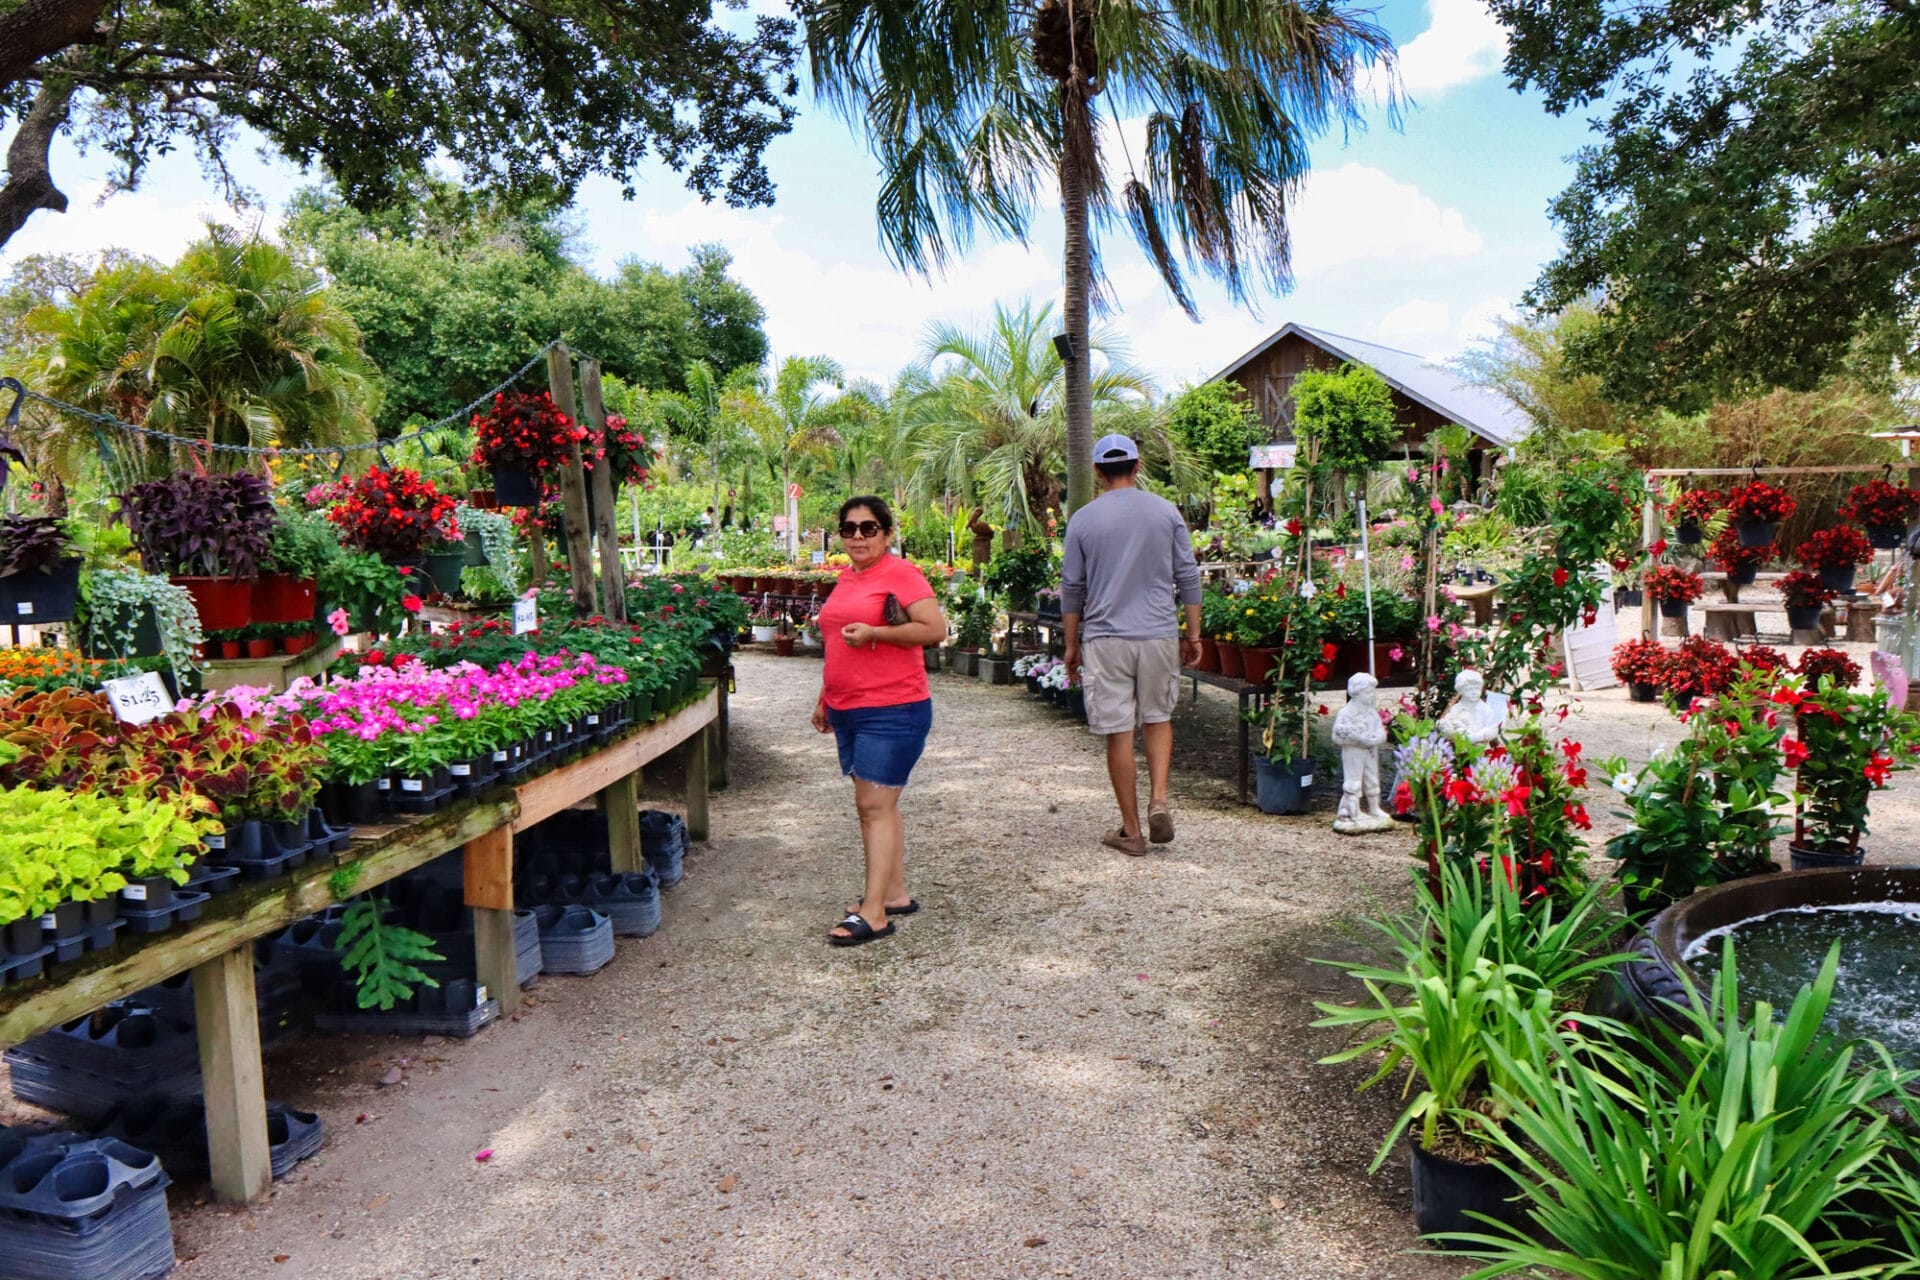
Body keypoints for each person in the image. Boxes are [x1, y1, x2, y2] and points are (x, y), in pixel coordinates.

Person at [810, 496, 948, 946]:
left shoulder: (902, 574)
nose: (857, 537)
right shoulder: (848, 577)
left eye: (869, 529)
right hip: (849, 708)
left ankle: (873, 914)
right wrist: (826, 696)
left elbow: (934, 629)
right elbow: (835, 642)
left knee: (873, 807)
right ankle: (893, 893)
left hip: (894, 708)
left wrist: (876, 634)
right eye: (849, 529)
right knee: (878, 805)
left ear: (887, 534)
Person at [1062, 434, 1203, 856]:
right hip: (1158, 634)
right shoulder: (1165, 512)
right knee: (1158, 718)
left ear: (1098, 472)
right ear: (1137, 467)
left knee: (1118, 732)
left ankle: (1132, 831)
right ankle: (1159, 798)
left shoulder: (1083, 520)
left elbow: (1072, 588)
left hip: (1106, 639)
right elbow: (1188, 576)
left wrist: (1071, 645)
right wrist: (1193, 634)